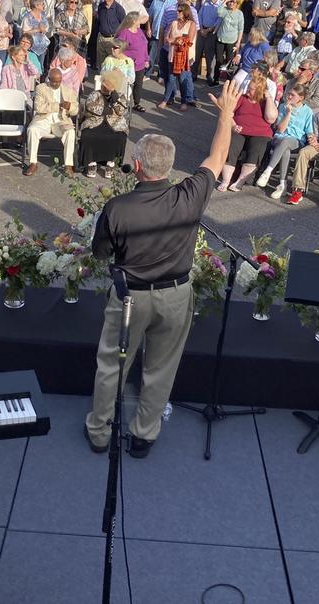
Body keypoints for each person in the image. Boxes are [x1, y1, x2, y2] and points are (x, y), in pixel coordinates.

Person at [85, 80, 242, 458]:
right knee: (161, 367)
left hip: (130, 299)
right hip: (175, 295)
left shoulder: (118, 208)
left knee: (111, 365)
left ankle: (100, 432)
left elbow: (101, 253)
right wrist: (225, 114)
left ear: (136, 166)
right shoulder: (188, 195)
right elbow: (217, 158)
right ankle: (144, 435)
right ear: (168, 168)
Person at [217, 67, 279, 191]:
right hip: (239, 129)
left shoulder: (265, 101)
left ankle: (240, 181)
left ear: (260, 90)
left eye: (251, 89)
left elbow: (271, 119)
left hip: (260, 133)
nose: (248, 91)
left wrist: (269, 98)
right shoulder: (243, 98)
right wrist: (234, 125)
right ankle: (226, 180)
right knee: (232, 146)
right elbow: (228, 112)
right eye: (249, 88)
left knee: (256, 149)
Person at [255, 84, 314, 197]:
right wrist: (288, 113)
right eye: (288, 94)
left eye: (292, 95)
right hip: (280, 138)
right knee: (285, 147)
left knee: (287, 143)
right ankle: (282, 184)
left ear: (300, 98)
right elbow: (281, 129)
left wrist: (312, 137)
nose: (289, 97)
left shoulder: (308, 111)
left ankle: (268, 171)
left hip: (296, 140)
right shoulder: (282, 106)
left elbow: (309, 130)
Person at [25, 67, 79, 176]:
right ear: (49, 79)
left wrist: (69, 107)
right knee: (32, 130)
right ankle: (33, 163)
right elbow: (39, 107)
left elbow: (76, 110)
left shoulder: (68, 90)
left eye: (59, 81)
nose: (56, 84)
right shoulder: (41, 88)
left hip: (61, 120)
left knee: (70, 132)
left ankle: (68, 165)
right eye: (54, 81)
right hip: (44, 119)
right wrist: (57, 105)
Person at [80, 69, 130, 178]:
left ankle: (111, 162)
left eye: (107, 87)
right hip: (95, 121)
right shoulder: (95, 93)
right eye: (103, 85)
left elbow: (121, 111)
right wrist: (107, 111)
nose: (104, 88)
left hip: (114, 123)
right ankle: (91, 162)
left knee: (119, 136)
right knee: (88, 134)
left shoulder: (120, 97)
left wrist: (115, 98)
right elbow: (90, 107)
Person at [159, 1, 198, 110]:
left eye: (180, 11)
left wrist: (174, 40)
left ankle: (184, 102)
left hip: (184, 57)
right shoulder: (173, 23)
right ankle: (165, 100)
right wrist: (176, 40)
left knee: (182, 80)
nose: (177, 12)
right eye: (177, 10)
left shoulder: (192, 24)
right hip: (172, 55)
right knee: (171, 79)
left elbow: (188, 40)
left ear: (185, 12)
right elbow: (166, 39)